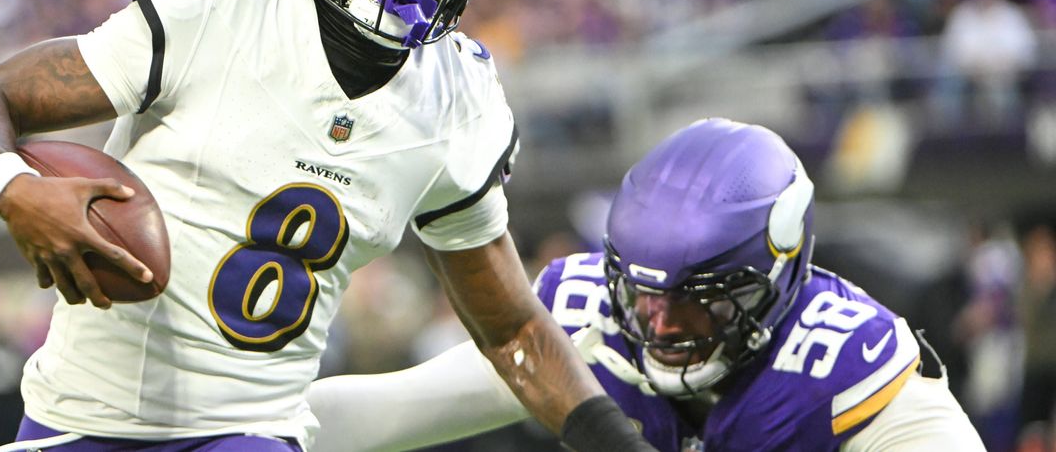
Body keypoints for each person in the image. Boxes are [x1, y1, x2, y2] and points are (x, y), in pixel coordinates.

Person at [0, 0, 654, 452]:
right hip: (74, 420)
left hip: (250, 430)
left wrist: (613, 440)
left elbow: (514, 328)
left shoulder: (455, 101)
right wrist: (12, 188)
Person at [306, 118, 986, 451]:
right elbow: (378, 412)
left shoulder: (849, 368)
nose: (660, 325)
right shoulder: (592, 317)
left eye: (697, 303)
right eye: (644, 295)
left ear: (776, 277)